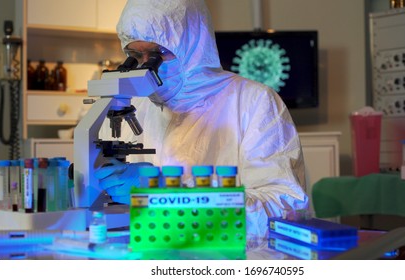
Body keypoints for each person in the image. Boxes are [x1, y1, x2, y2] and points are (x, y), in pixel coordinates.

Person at [96, 0, 308, 240]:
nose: (146, 67)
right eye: (135, 56)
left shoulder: (254, 102)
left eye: (158, 54)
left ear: (193, 45)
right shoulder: (132, 105)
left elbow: (283, 209)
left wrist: (171, 193)